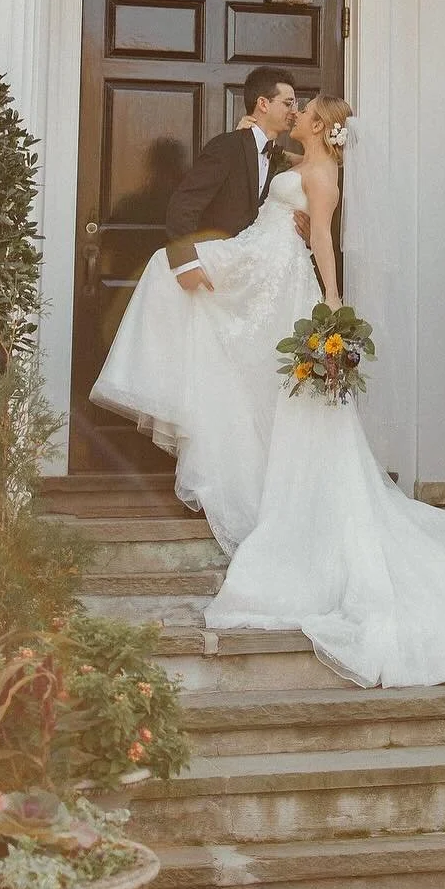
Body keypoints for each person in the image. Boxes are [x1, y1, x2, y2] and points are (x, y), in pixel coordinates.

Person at [202, 95, 445, 689]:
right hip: (267, 272)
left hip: (295, 281)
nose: (298, 111)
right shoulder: (295, 159)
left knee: (306, 407)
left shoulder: (322, 171)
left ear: (322, 127)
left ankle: (305, 516)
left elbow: (323, 238)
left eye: (305, 108)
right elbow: (270, 168)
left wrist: (332, 301)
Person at [90, 65, 310, 546]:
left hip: (245, 282)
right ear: (262, 105)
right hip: (209, 271)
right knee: (202, 376)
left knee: (234, 380)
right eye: (288, 101)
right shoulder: (227, 148)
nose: (295, 109)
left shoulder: (279, 158)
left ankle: (237, 476)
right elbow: (182, 208)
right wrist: (184, 263)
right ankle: (207, 482)